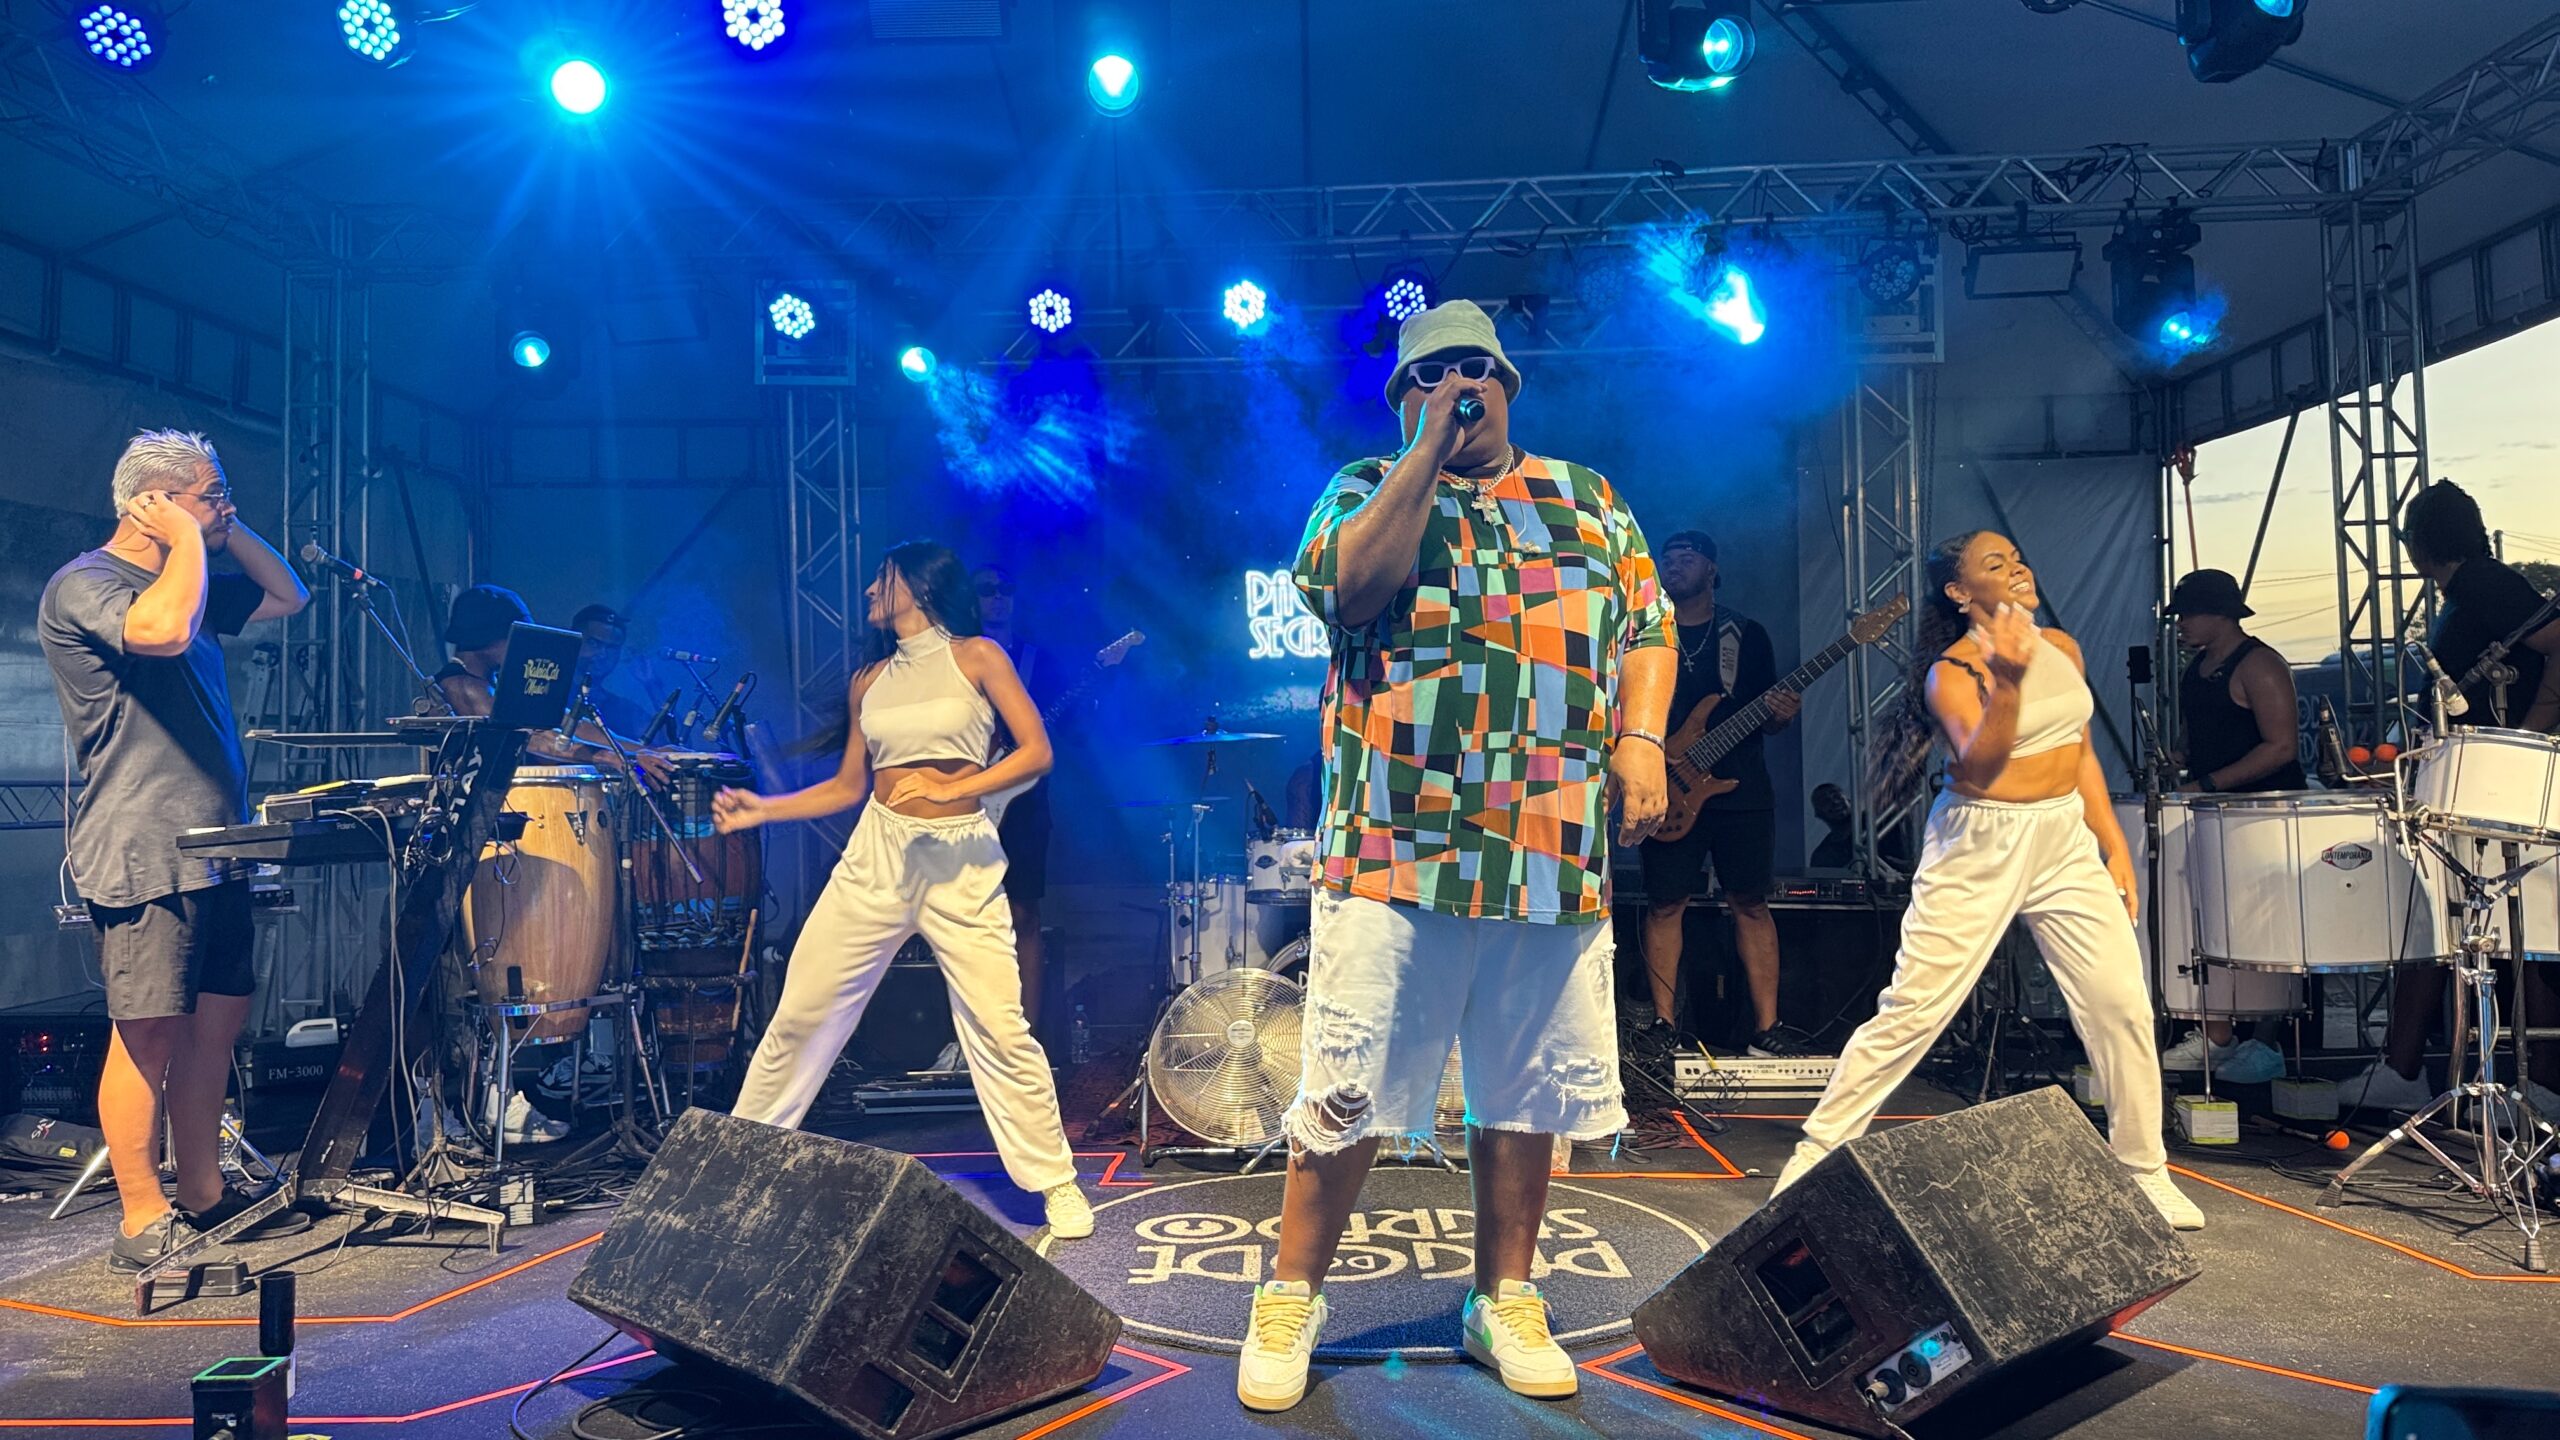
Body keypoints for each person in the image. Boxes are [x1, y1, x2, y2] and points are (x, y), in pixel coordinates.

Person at [1239, 299, 1675, 1411]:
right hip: (1397, 841)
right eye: (1429, 376)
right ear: (1400, 398)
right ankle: (1290, 1295)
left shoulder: (1588, 498)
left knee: (1523, 1087)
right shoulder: (1363, 489)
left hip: (1549, 842)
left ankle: (1503, 1296)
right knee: (1346, 1079)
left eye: (1475, 368)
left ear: (1510, 384)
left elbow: (1647, 627)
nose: (1456, 385)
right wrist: (1425, 454)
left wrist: (1639, 739)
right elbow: (1347, 590)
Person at [1772, 531, 2204, 1233]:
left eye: (2017, 558)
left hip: (2063, 836)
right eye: (1995, 564)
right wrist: (2006, 680)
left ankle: (2143, 1169)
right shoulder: (1952, 672)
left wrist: (2112, 844)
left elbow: (2080, 751)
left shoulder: (2061, 647)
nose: (2017, 568)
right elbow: (1982, 767)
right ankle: (1815, 1158)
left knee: (2120, 1002)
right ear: (1959, 592)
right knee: (1915, 1009)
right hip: (1980, 842)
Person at [713, 541, 1092, 1240]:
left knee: (998, 1025)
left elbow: (1036, 752)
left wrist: (954, 789)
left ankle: (1054, 1181)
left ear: (917, 586)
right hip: (878, 853)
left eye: (880, 580)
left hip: (960, 858)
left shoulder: (979, 656)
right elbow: (846, 787)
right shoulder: (869, 679)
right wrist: (763, 808)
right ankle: (740, 1166)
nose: (867, 591)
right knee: (802, 1012)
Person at [38, 430, 314, 1273]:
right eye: (210, 493)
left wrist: (217, 527)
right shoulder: (88, 584)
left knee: (215, 1028)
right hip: (144, 847)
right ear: (148, 504)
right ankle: (141, 1213)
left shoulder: (189, 578)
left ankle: (203, 1190)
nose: (224, 506)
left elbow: (288, 594)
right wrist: (190, 537)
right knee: (148, 1034)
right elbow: (158, 632)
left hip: (217, 844)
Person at [2341, 481, 2560, 1114]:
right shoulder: (2465, 592)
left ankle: (2539, 1083)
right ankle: (2406, 1066)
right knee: (2438, 921)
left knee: (2520, 930)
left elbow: (2558, 645)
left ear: (2419, 543)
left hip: (2501, 779)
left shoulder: (2487, 583)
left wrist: (2528, 734)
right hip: (2465, 776)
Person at [1636, 530, 1805, 1057]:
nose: (1674, 564)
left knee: (1750, 901)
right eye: (1668, 557)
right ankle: (1663, 1026)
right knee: (1666, 903)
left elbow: (1768, 716)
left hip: (1740, 789)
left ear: (1711, 569)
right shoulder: (1645, 632)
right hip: (1666, 785)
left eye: (1687, 557)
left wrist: (1781, 715)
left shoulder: (1744, 635)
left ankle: (1767, 1029)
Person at [2157, 567, 2301, 1084]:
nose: (2180, 625)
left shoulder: (2260, 664)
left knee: (2267, 926)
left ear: (2219, 615)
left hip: (2262, 814)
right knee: (2206, 919)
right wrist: (2176, 759)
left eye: (2188, 615)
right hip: (2213, 812)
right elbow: (2197, 731)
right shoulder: (2197, 667)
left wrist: (2208, 784)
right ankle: (2216, 1033)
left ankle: (2267, 1040)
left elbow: (2281, 747)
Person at [974, 563, 1055, 1035]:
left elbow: (1059, 732)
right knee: (969, 918)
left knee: (1024, 913)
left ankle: (1028, 1034)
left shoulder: (1036, 661)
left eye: (1006, 588)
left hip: (1024, 805)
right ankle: (972, 1031)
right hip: (967, 798)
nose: (998, 597)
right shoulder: (960, 657)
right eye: (988, 590)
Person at [569, 603, 655, 740]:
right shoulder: (548, 691)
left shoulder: (622, 709)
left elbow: (674, 744)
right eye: (593, 643)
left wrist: (651, 684)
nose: (602, 654)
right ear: (574, 641)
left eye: (611, 648)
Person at [1810, 781, 1913, 874]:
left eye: (1837, 796)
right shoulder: (1822, 856)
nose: (1835, 802)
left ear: (1849, 800)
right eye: (1825, 801)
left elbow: (1904, 798)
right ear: (1818, 814)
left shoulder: (1880, 819)